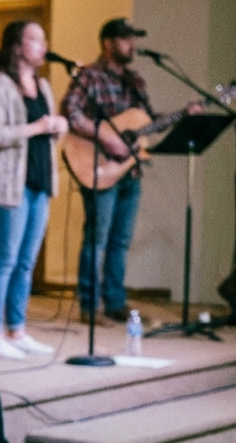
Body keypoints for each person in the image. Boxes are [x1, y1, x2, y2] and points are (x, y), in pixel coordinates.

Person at [61, 18, 200, 324]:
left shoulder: (135, 81)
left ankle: (115, 302)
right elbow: (69, 112)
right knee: (97, 239)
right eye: (126, 39)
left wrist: (182, 114)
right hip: (98, 166)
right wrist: (106, 138)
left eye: (134, 39)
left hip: (130, 171)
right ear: (108, 42)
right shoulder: (91, 76)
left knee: (120, 241)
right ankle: (89, 305)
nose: (132, 44)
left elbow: (146, 121)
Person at [0, 20, 68, 359]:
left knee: (26, 263)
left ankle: (17, 329)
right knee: (4, 260)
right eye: (35, 39)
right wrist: (34, 127)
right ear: (17, 46)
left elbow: (44, 133)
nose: (43, 46)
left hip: (38, 183)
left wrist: (58, 127)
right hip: (7, 186)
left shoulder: (43, 86)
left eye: (44, 39)